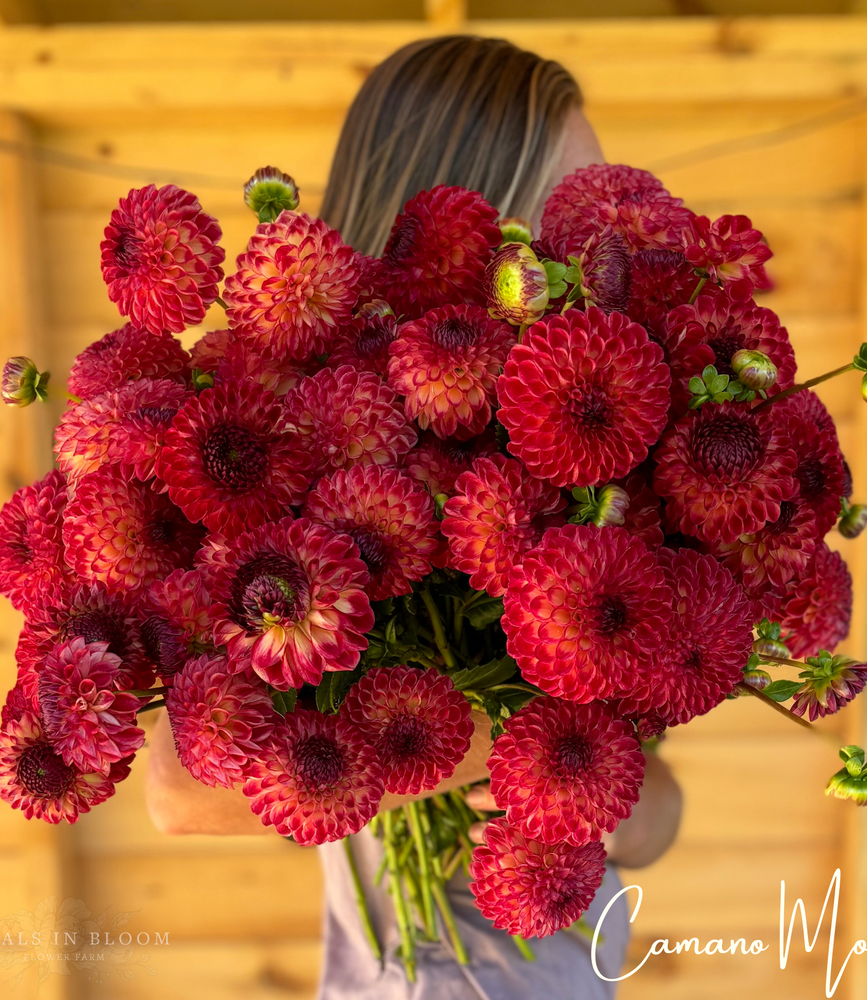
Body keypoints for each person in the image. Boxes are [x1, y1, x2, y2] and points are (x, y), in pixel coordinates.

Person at [147, 34, 683, 1000]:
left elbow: (657, 801)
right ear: (465, 216)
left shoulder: (610, 464)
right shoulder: (283, 444)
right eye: (564, 209)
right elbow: (179, 794)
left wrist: (609, 800)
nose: (595, 251)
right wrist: (492, 749)